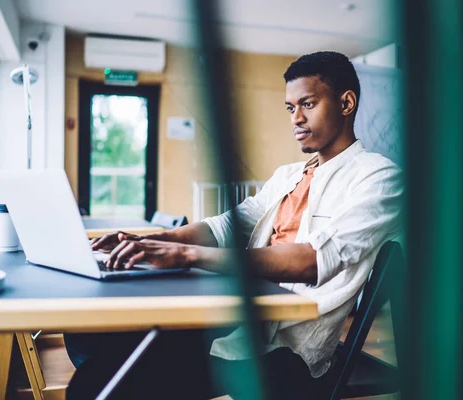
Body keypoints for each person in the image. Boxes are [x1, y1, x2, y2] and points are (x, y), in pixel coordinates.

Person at [64, 51, 403, 399]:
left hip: (286, 353)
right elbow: (226, 226)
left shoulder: (378, 178)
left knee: (107, 381)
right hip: (235, 323)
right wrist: (152, 240)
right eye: (290, 108)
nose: (296, 118)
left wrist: (186, 254)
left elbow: (313, 259)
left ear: (346, 103)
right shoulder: (288, 175)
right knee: (95, 350)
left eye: (308, 104)